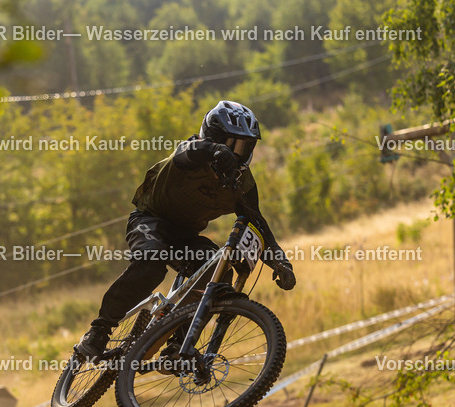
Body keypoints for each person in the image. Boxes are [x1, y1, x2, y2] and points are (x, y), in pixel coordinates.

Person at [74, 100, 295, 359]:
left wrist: (281, 262)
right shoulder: (190, 152)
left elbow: (257, 223)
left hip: (186, 237)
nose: (238, 153)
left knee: (218, 274)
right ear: (213, 137)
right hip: (150, 221)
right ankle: (99, 331)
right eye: (233, 144)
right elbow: (187, 151)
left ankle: (177, 348)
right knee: (151, 264)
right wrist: (214, 150)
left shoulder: (241, 182)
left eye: (245, 146)